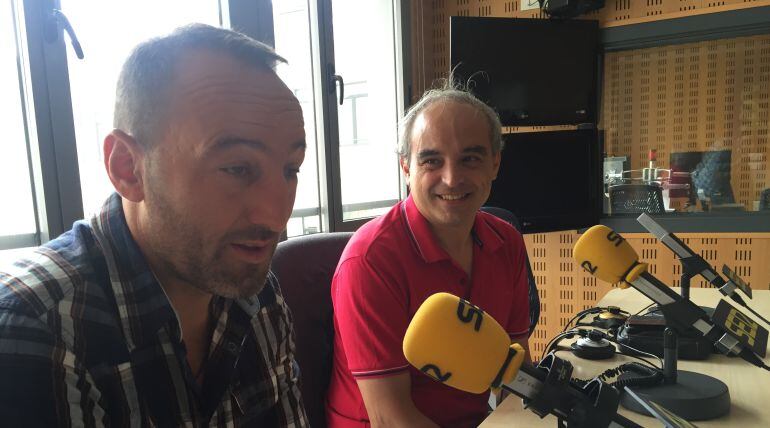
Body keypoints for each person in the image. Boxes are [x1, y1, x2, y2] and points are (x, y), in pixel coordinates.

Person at [0, 24, 308, 427]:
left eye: (290, 169)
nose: (274, 216)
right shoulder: (39, 326)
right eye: (237, 168)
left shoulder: (255, 289)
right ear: (128, 168)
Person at [326, 83, 532, 427]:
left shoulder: (506, 241)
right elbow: (391, 418)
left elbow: (517, 369)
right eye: (432, 160)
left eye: (470, 158)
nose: (452, 179)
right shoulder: (370, 261)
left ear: (494, 163)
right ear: (406, 167)